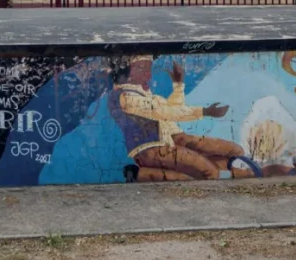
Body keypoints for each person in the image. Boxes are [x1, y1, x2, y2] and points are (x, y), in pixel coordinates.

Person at [108, 55, 252, 181]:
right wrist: (204, 111)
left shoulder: (143, 94)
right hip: (153, 149)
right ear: (126, 71)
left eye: (148, 69)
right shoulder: (125, 97)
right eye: (142, 69)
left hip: (172, 141)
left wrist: (178, 86)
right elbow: (166, 112)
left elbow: (171, 110)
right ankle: (141, 175)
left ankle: (141, 174)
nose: (148, 76)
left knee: (231, 153)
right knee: (208, 172)